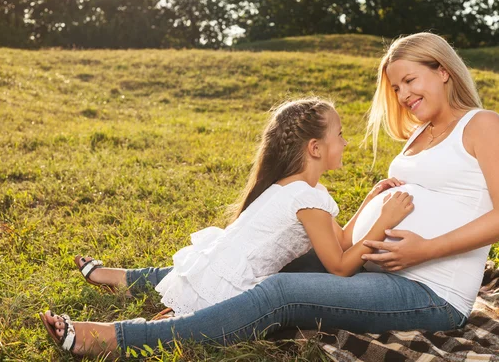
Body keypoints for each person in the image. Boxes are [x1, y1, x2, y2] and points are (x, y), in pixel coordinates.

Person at [39, 32, 499, 359]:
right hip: (375, 264)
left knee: (280, 292)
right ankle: (140, 281)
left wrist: (424, 249)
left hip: (428, 291)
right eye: (395, 87)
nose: (402, 95)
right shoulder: (418, 138)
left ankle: (120, 338)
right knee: (259, 254)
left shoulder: (482, 125)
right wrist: (371, 206)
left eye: (409, 81)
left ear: (442, 70)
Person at [40, 97, 414, 355]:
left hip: (213, 275)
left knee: (177, 326)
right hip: (232, 291)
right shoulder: (308, 198)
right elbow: (340, 265)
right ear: (316, 148)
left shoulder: (297, 188)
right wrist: (384, 221)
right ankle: (102, 337)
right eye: (340, 134)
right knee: (176, 335)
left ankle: (136, 309)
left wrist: (370, 199)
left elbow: (342, 240)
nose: (346, 142)